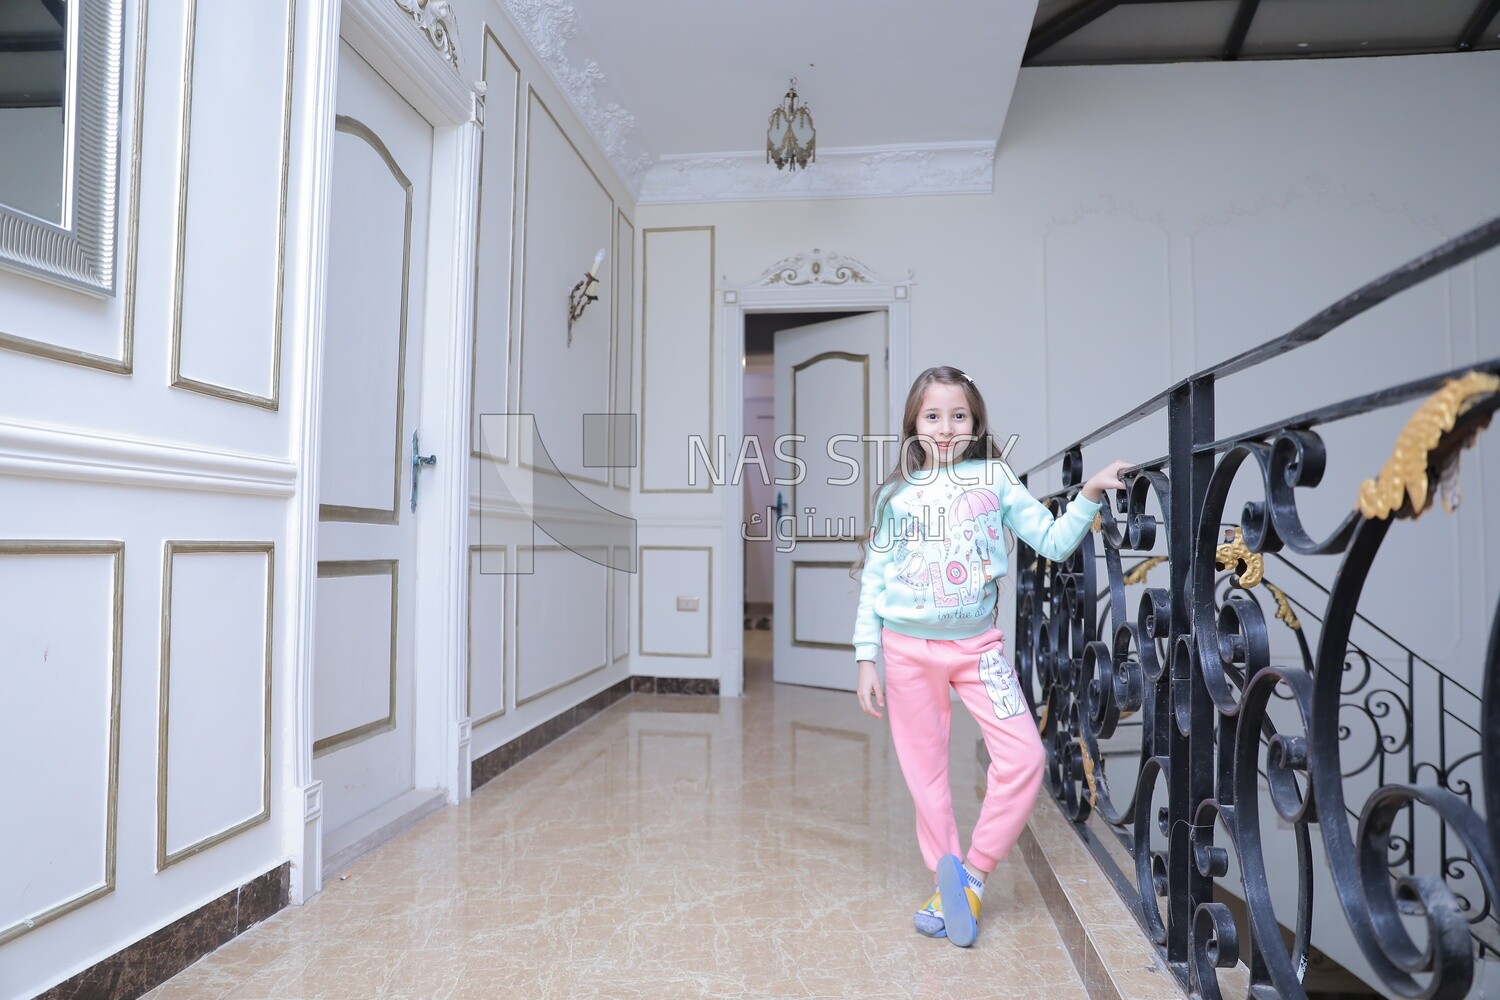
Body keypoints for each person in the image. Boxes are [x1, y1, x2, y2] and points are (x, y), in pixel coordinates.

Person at [851, 365, 1128, 948]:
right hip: (904, 652)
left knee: (1024, 756)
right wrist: (865, 657)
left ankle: (973, 874)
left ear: (975, 423)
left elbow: (1052, 541)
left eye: (959, 416)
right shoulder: (896, 495)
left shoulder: (996, 478)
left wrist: (1090, 494)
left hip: (978, 650)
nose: (946, 428)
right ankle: (945, 879)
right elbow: (874, 580)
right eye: (933, 416)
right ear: (914, 424)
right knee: (924, 776)